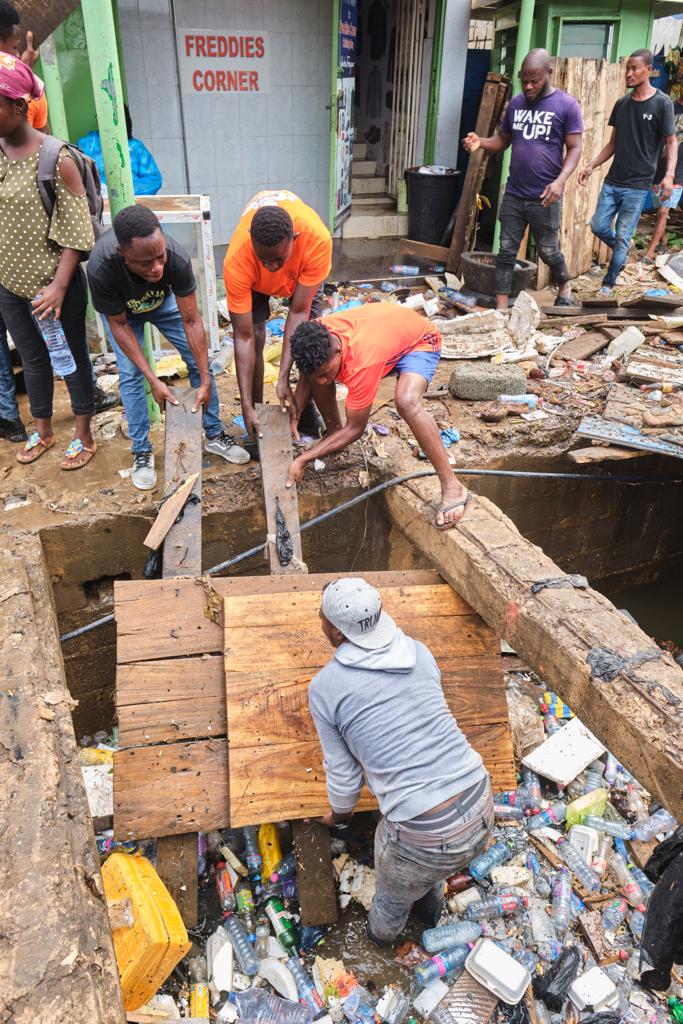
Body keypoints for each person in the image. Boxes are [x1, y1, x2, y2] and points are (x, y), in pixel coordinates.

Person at [309, 577, 493, 944]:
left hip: (422, 837)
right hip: (482, 804)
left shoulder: (326, 688)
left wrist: (339, 820)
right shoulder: (419, 652)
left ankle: (382, 946)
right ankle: (430, 920)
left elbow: (345, 778)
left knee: (391, 904)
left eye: (323, 620)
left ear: (337, 633)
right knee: (430, 873)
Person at [87, 204, 248, 490]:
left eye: (160, 257)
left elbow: (191, 319)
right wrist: (154, 380)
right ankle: (141, 452)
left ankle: (213, 435)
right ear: (123, 254)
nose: (157, 267)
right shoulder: (101, 268)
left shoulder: (176, 258)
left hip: (163, 305)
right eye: (145, 263)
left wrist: (206, 377)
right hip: (125, 315)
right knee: (131, 375)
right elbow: (120, 326)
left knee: (199, 361)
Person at [286, 304, 470, 528]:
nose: (324, 381)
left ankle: (453, 486)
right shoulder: (315, 335)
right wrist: (296, 411)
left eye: (326, 373)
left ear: (338, 351)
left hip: (419, 341)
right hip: (390, 333)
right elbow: (309, 375)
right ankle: (334, 433)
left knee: (406, 402)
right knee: (317, 378)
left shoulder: (362, 362)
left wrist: (304, 458)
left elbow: (356, 429)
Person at [0, 53, 97, 469]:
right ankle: (43, 430)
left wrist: (58, 287)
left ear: (19, 107)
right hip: (10, 283)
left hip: (54, 285)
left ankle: (84, 433)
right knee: (33, 357)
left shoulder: (56, 158)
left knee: (70, 355)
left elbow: (78, 231)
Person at [463, 48, 582, 310]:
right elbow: (503, 140)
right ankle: (502, 308)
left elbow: (575, 147)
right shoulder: (516, 105)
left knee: (548, 252)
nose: (528, 86)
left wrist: (561, 180)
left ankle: (564, 285)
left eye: (534, 81)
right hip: (515, 194)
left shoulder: (566, 105)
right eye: (523, 80)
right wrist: (481, 142)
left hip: (545, 196)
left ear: (548, 73)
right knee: (505, 251)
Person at [223, 189, 332, 439]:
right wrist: (246, 406)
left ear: (295, 238)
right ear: (252, 242)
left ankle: (304, 411)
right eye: (264, 259)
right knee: (257, 336)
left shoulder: (317, 240)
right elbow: (243, 337)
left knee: (309, 342)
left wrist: (283, 377)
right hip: (254, 281)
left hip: (301, 274)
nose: (272, 267)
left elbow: (298, 311)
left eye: (278, 260)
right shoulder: (238, 259)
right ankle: (257, 415)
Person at [579, 50, 677, 295]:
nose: (629, 73)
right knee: (598, 226)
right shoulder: (622, 103)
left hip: (637, 184)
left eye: (634, 68)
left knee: (622, 235)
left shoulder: (661, 103)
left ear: (648, 70)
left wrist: (669, 175)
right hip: (613, 180)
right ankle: (624, 250)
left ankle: (608, 284)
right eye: (627, 68)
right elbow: (613, 143)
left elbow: (671, 141)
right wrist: (592, 165)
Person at [78, 104, 162, 196]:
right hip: (97, 204)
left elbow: (154, 179)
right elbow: (78, 176)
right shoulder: (87, 144)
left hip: (130, 203)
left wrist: (125, 190)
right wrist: (96, 189)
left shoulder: (135, 147)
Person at [643, 98, 683, 263]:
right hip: (658, 167)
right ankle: (662, 243)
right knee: (660, 207)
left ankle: (648, 254)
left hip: (678, 171)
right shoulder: (667, 106)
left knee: (663, 211)